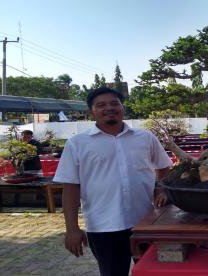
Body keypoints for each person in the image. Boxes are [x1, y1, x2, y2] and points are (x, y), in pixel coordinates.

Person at [53, 87, 172, 276]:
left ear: (123, 107)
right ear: (91, 111)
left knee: (153, 271)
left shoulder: (145, 137)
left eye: (114, 103)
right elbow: (70, 187)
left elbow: (163, 166)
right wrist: (72, 229)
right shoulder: (77, 143)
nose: (109, 108)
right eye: (101, 105)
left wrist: (160, 188)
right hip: (103, 226)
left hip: (145, 223)